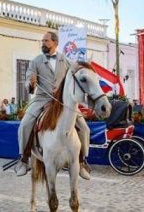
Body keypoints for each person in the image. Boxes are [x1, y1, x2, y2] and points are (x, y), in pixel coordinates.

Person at [14, 31, 91, 180]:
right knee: (25, 124)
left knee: (84, 128)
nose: (43, 43)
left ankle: (81, 162)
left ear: (55, 43)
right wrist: (30, 83)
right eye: (42, 41)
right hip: (42, 99)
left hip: (62, 101)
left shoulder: (67, 61)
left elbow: (75, 81)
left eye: (46, 41)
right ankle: (24, 159)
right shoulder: (36, 61)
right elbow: (28, 78)